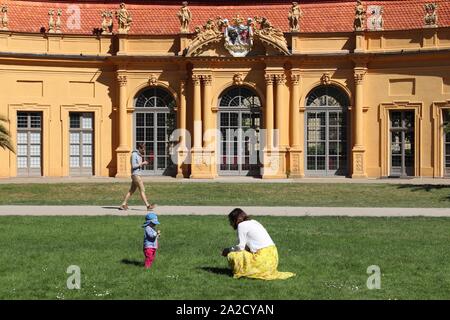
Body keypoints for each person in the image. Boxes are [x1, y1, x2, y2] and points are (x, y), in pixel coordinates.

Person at [222, 208, 295, 280]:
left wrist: (228, 250)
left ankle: (241, 272)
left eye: (231, 221)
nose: (230, 224)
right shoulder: (254, 222)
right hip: (273, 258)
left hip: (263, 258)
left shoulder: (241, 225)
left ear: (236, 220)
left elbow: (241, 247)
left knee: (233, 255)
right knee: (241, 252)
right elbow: (247, 247)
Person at [119, 142, 155, 211]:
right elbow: (133, 166)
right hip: (135, 175)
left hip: (136, 174)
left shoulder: (139, 155)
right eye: (143, 149)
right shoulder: (134, 155)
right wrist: (142, 163)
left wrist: (142, 163)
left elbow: (138, 165)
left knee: (131, 191)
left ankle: (123, 205)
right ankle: (148, 206)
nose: (144, 150)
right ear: (139, 148)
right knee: (142, 190)